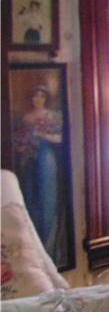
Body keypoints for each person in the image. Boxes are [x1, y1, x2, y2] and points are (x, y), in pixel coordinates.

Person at [14, 86, 63, 259]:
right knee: (29, 197)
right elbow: (18, 142)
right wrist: (24, 144)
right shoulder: (26, 117)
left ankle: (46, 242)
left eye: (42, 96)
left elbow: (60, 138)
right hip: (29, 160)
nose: (38, 99)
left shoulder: (51, 116)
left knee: (47, 198)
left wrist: (41, 135)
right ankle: (33, 246)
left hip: (46, 158)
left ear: (45, 98)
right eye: (35, 96)